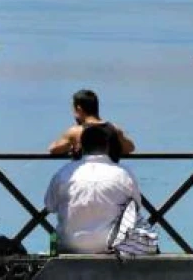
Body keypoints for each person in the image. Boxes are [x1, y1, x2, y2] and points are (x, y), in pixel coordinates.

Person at [44, 125, 142, 254]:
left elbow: (50, 206)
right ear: (107, 147)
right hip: (113, 247)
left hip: (69, 246)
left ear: (82, 146)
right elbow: (136, 207)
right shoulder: (124, 174)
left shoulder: (64, 173)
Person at [48, 89, 135, 162]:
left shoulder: (75, 131)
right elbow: (130, 148)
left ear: (79, 109)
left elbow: (54, 149)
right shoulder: (114, 129)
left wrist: (71, 146)